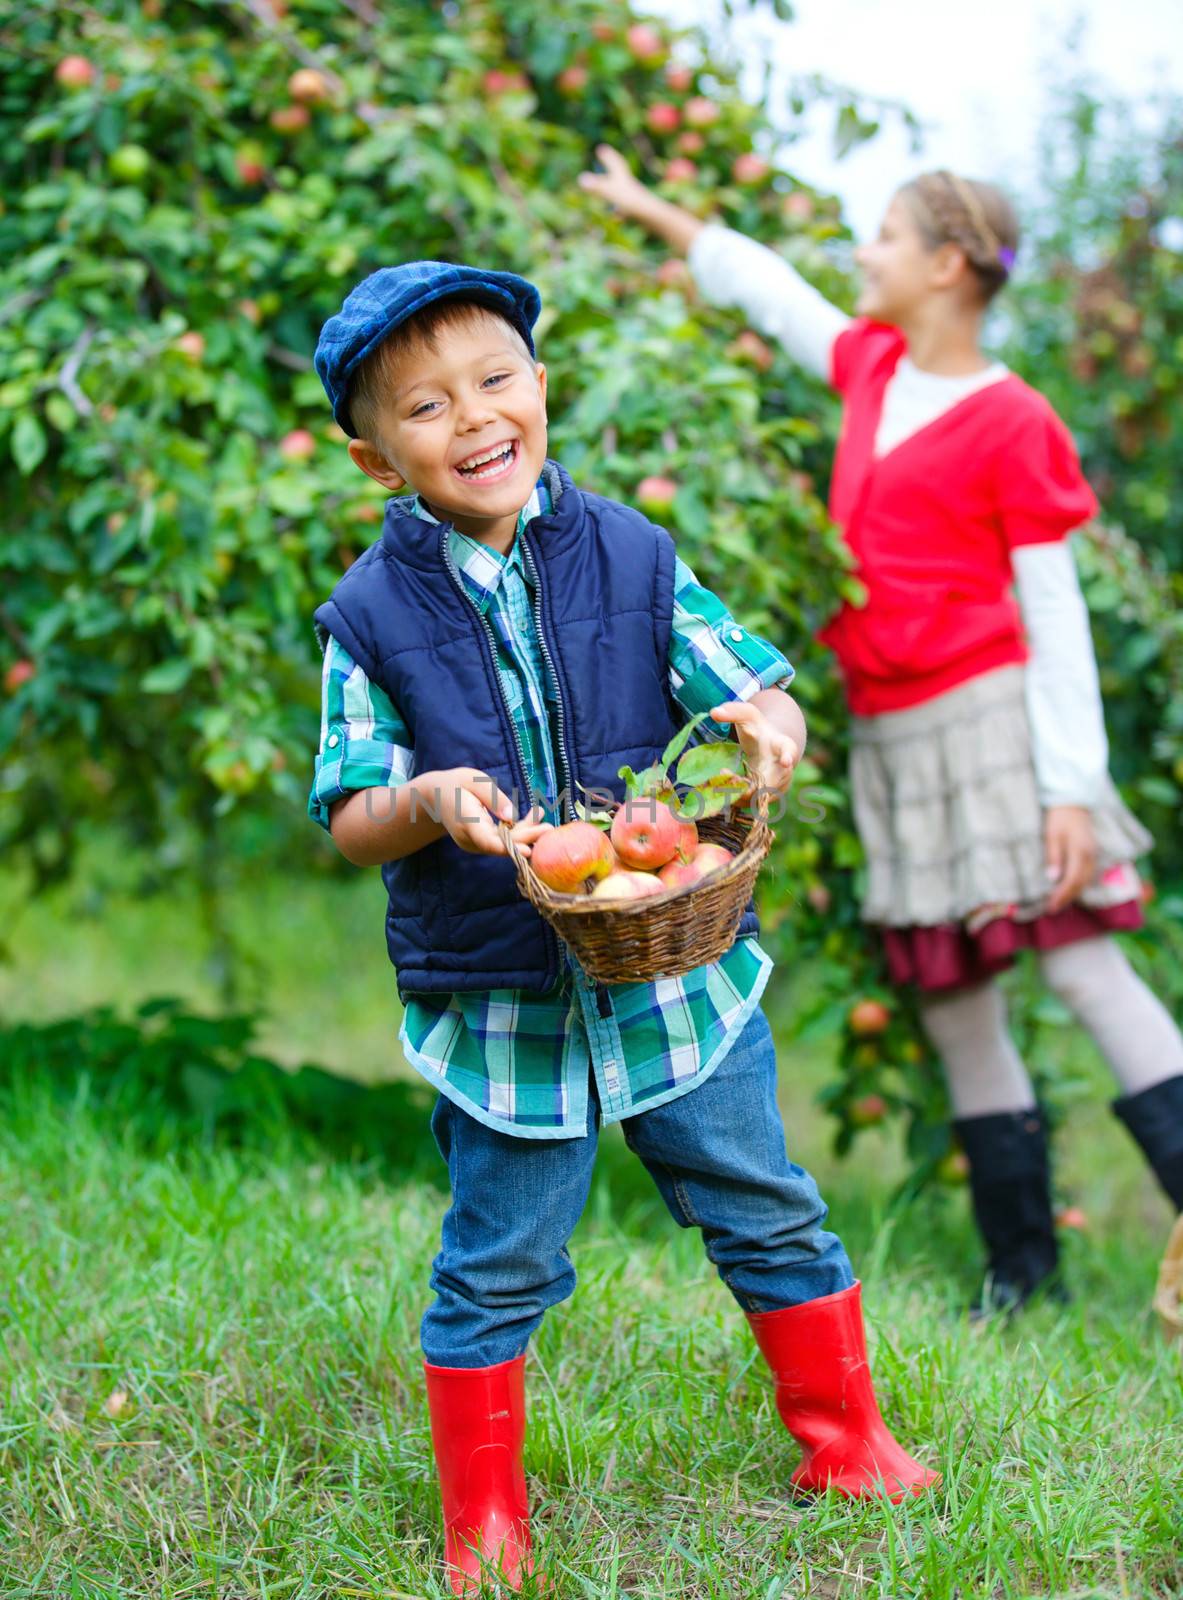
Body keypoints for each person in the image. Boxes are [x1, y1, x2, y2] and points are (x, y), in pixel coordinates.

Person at [308, 261, 937, 1593]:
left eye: (493, 381)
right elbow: (351, 816)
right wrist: (423, 798)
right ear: (375, 454)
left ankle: (847, 1443)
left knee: (765, 1205)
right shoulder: (366, 620)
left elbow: (748, 687)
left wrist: (769, 727)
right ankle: (486, 1528)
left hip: (671, 979)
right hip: (501, 1003)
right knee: (498, 1262)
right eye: (424, 406)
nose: (472, 418)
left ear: (540, 388)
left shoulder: (635, 557)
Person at [578, 149, 1183, 1315]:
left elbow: (1052, 614)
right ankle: (1022, 1282)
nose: (863, 253)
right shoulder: (869, 368)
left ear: (947, 265)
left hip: (995, 727)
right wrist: (655, 206)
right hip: (901, 739)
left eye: (887, 236)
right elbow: (768, 290)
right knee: (952, 994)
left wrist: (1070, 789)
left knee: (1079, 961)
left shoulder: (1012, 420)